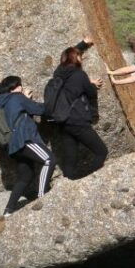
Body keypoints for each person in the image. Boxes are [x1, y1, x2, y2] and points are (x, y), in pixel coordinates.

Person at [45, 38, 107, 180]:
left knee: (71, 157)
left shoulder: (59, 73)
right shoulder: (80, 75)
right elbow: (90, 92)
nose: (82, 58)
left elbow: (68, 54)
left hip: (63, 122)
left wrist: (83, 44)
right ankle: (87, 179)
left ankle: (69, 182)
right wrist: (91, 83)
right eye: (80, 56)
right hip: (77, 120)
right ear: (76, 58)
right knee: (101, 151)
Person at [0, 75, 54, 217]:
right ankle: (42, 196)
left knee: (25, 176)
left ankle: (8, 210)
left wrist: (25, 100)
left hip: (14, 146)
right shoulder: (18, 98)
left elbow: (19, 112)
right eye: (20, 85)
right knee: (49, 160)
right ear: (17, 87)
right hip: (25, 139)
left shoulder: (3, 101)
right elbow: (39, 109)